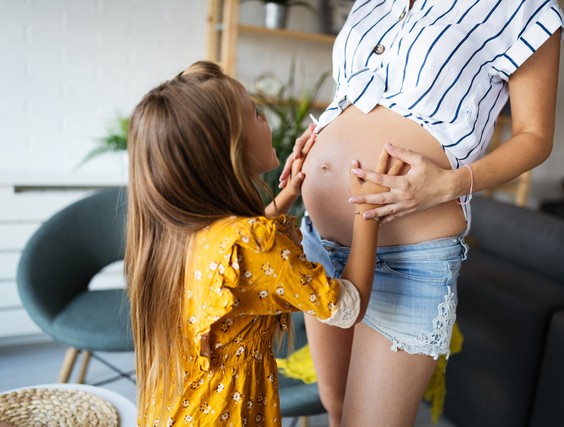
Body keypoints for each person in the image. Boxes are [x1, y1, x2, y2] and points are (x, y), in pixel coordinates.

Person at [278, 1, 564, 425]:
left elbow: (536, 136)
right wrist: (315, 142)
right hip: (321, 243)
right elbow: (354, 96)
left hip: (408, 258)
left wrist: (450, 184)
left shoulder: (523, 7)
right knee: (336, 405)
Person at [124, 60, 403, 426]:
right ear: (229, 150)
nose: (266, 119)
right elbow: (349, 306)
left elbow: (237, 255)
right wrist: (368, 212)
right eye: (256, 113)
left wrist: (288, 193)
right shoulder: (254, 242)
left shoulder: (176, 233)